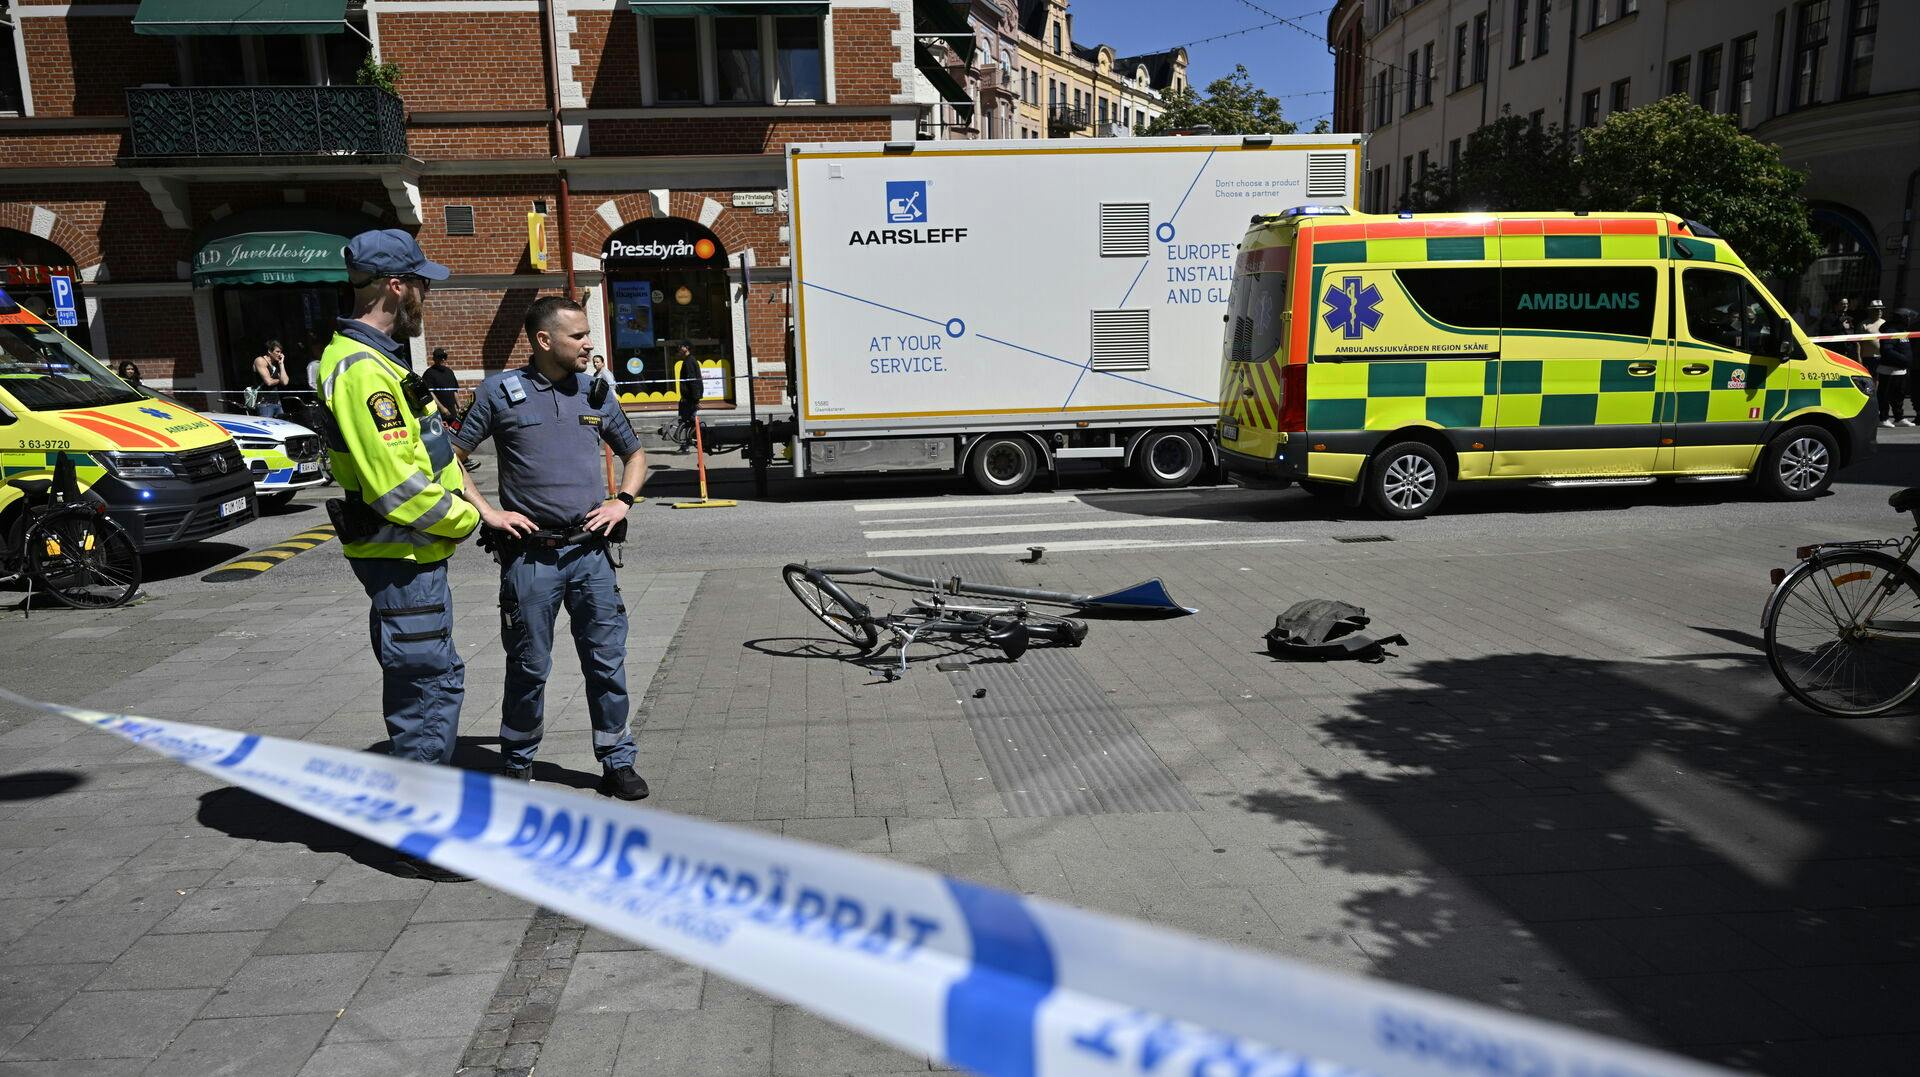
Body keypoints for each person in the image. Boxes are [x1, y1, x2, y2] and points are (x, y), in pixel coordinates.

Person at [316, 229, 479, 882]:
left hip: (409, 557)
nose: (425, 295)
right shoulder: (362, 371)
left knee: (427, 679)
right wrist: (468, 517)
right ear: (395, 286)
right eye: (421, 283)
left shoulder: (377, 360)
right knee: (427, 686)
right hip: (404, 555)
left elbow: (425, 446)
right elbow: (396, 485)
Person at [453, 296, 650, 801]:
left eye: (588, 335)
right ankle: (517, 763)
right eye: (579, 336)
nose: (590, 344)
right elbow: (449, 458)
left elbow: (635, 452)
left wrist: (622, 501)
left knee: (606, 662)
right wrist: (488, 512)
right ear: (544, 341)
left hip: (591, 554)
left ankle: (616, 761)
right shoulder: (500, 392)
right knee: (528, 667)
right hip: (530, 559)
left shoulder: (596, 392)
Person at [672, 343, 703, 452]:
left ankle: (687, 445)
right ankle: (688, 443)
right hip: (689, 397)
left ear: (687, 348)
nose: (679, 348)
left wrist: (696, 399)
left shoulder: (689, 361)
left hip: (689, 398)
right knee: (688, 421)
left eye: (681, 346)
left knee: (686, 421)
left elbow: (692, 381)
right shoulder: (689, 360)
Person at [252, 339, 290, 417]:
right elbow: (269, 382)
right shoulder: (260, 360)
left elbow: (285, 382)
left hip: (277, 403)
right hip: (265, 404)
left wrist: (281, 364)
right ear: (269, 351)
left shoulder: (275, 364)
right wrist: (280, 380)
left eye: (281, 352)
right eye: (277, 352)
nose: (280, 354)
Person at [423, 347, 462, 418]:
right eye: (440, 357)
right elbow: (430, 393)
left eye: (444, 357)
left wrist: (459, 406)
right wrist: (442, 408)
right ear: (434, 359)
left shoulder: (450, 372)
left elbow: (454, 390)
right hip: (438, 413)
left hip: (452, 411)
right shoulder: (429, 373)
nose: (443, 359)